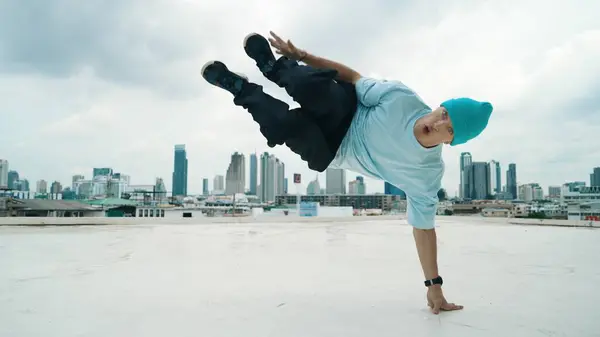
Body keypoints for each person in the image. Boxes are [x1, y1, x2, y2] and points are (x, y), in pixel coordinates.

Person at [202, 31, 493, 314]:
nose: (439, 124)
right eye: (444, 114)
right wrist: (301, 55)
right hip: (347, 111)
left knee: (281, 125)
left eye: (450, 129)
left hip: (334, 151)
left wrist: (434, 285)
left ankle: (241, 89)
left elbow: (424, 227)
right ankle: (274, 66)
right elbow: (353, 77)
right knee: (310, 83)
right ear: (440, 106)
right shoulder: (402, 98)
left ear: (451, 141)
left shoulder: (426, 174)